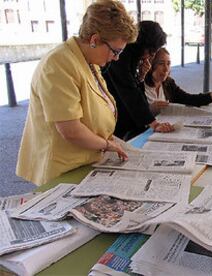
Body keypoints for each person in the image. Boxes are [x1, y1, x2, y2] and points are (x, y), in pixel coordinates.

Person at [16, 0, 137, 186]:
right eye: (115, 51)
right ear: (95, 40)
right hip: (62, 169)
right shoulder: (58, 64)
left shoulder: (88, 60)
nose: (116, 58)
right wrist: (106, 145)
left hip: (87, 161)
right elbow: (71, 130)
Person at [102, 21, 174, 141]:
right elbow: (129, 91)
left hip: (122, 107)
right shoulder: (123, 54)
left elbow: (133, 86)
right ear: (144, 45)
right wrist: (154, 123)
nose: (150, 56)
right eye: (151, 51)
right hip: (113, 109)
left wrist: (140, 77)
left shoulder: (134, 53)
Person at [144, 48, 212, 115]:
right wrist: (150, 109)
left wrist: (210, 96)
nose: (166, 69)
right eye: (161, 63)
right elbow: (133, 118)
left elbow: (188, 99)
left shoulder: (168, 83)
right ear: (151, 64)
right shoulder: (140, 85)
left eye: (168, 64)